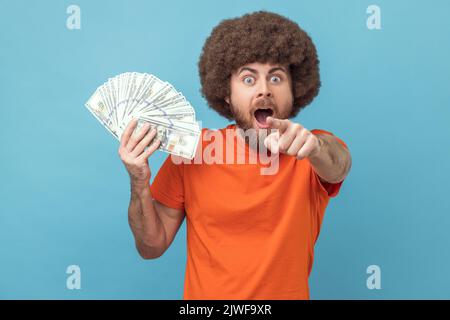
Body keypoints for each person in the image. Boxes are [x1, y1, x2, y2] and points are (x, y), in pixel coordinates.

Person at [118, 11, 352, 300]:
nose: (264, 90)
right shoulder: (192, 153)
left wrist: (315, 148)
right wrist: (138, 182)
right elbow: (150, 247)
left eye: (276, 78)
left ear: (295, 91)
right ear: (226, 93)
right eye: (248, 79)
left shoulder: (310, 149)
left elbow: (338, 165)